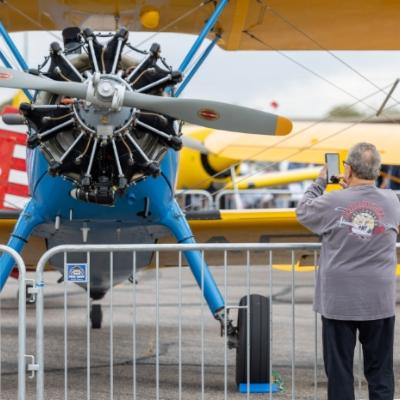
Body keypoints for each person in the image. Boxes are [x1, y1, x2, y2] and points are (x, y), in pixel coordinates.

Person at [296, 142, 400, 400]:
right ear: (376, 171)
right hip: (379, 301)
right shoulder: (393, 201)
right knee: (381, 374)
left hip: (339, 302)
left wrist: (321, 181)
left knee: (340, 373)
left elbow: (304, 210)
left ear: (348, 169)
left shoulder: (332, 201)